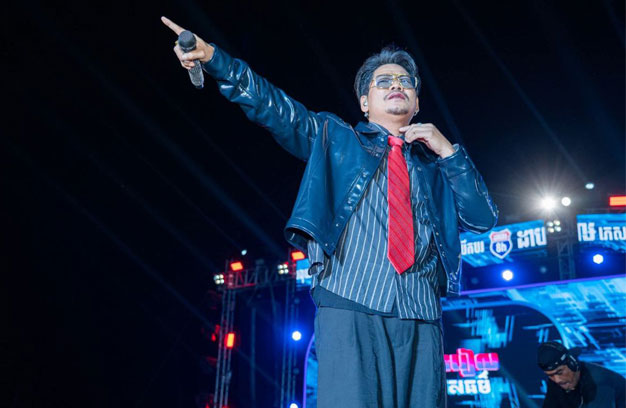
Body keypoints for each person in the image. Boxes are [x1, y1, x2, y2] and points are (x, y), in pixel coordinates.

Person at [162, 16, 498, 408]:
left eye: (405, 81)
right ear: (365, 102)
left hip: (421, 315)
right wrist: (216, 59)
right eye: (383, 81)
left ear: (417, 102)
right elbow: (275, 108)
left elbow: (482, 218)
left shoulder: (436, 167)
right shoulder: (336, 138)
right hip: (351, 303)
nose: (396, 85)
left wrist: (449, 153)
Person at [538, 341, 626, 408]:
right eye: (550, 375)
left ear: (573, 364)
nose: (557, 380)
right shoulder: (556, 381)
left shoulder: (600, 381)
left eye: (559, 372)